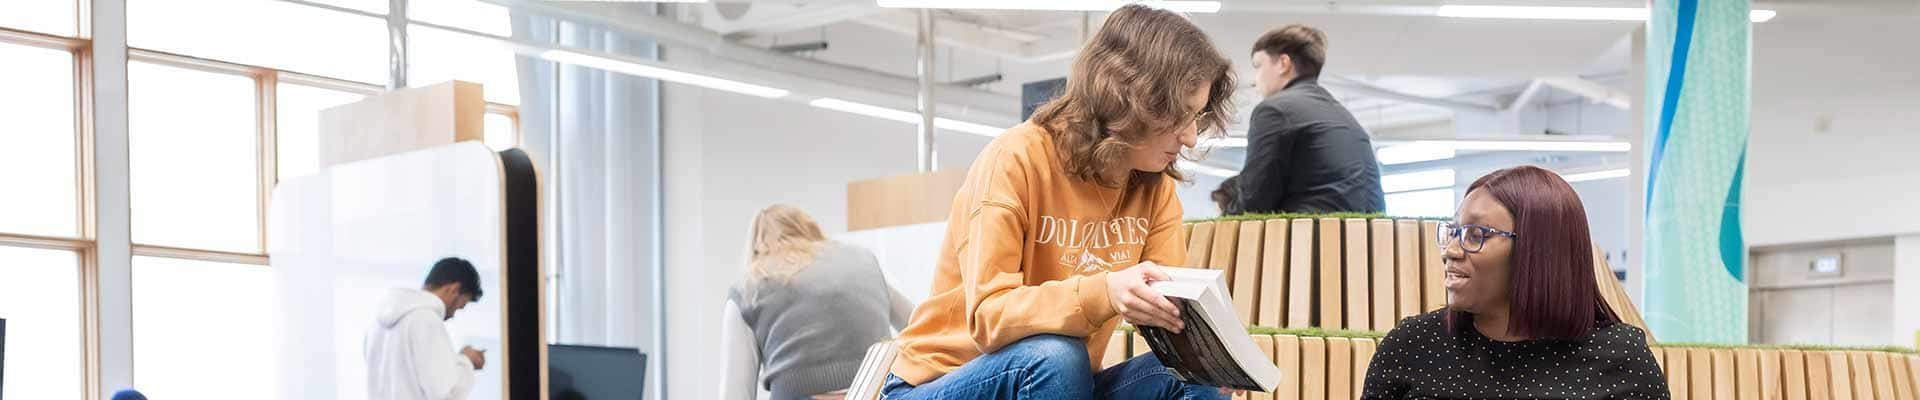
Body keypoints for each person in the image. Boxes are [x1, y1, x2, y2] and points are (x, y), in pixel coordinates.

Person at [884, 5, 1238, 400]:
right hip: (942, 381)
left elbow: (1170, 308)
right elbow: (989, 317)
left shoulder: (1155, 187)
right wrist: (1105, 290)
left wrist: (1210, 356)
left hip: (1062, 383)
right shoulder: (1017, 158)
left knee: (1189, 374)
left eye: (1197, 116)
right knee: (1056, 354)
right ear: (1131, 98)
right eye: (1180, 115)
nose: (1190, 137)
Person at [1360, 166, 1668, 400]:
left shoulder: (1620, 359)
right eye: (1453, 232)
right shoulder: (1412, 345)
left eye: (1475, 235)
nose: (1451, 251)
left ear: (1538, 250)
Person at [720, 205, 914, 400]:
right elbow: (917, 322)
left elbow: (735, 394)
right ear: (809, 227)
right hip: (877, 391)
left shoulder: (749, 286)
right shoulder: (862, 260)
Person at [1239, 25, 1385, 214]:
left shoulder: (1274, 110)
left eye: (1258, 66)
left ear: (1283, 63)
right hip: (1365, 237)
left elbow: (1254, 200)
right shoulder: (1344, 115)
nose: (1254, 80)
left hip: (1310, 237)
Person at [365, 257, 487, 400]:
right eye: (460, 306)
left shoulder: (377, 322)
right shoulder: (426, 320)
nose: (453, 315)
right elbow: (446, 394)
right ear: (454, 290)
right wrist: (467, 361)